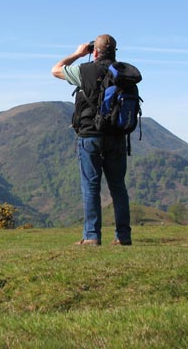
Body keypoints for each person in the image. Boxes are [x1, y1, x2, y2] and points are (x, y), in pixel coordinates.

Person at [51, 34, 132, 246]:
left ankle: (91, 236)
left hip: (90, 136)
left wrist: (78, 53)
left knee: (91, 187)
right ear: (115, 51)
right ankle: (123, 237)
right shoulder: (124, 72)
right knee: (118, 187)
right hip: (117, 136)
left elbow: (56, 69)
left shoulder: (85, 71)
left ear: (94, 52)